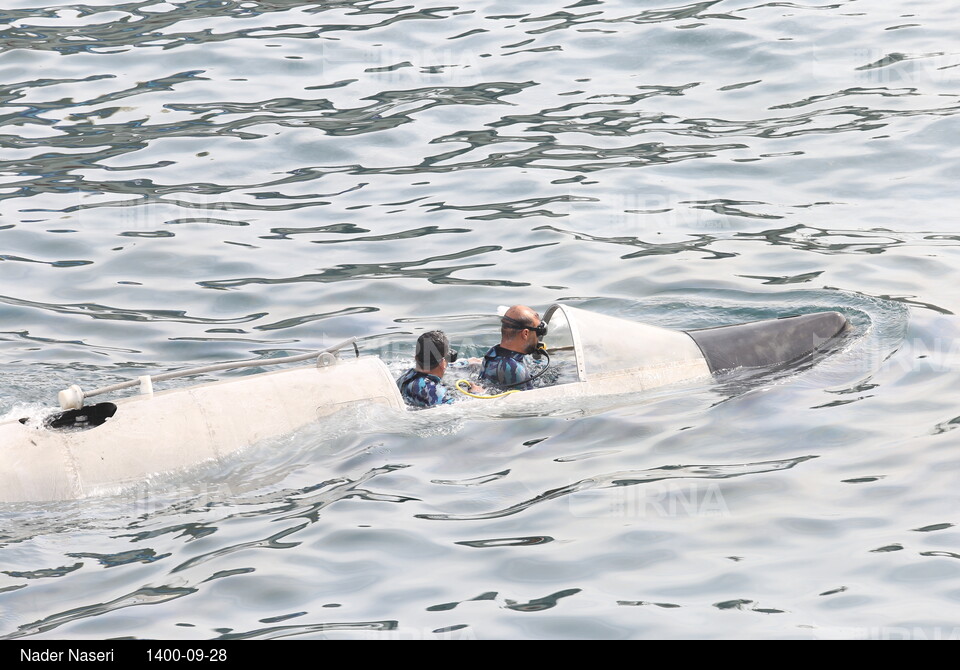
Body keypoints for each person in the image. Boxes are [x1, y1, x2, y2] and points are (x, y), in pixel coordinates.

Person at [478, 305, 547, 391]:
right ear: (525, 333)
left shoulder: (493, 352)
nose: (538, 338)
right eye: (538, 332)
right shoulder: (514, 369)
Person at [396, 330, 466, 408]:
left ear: (416, 358)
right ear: (442, 363)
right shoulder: (434, 391)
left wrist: (465, 362)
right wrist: (475, 392)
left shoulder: (404, 379)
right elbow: (458, 409)